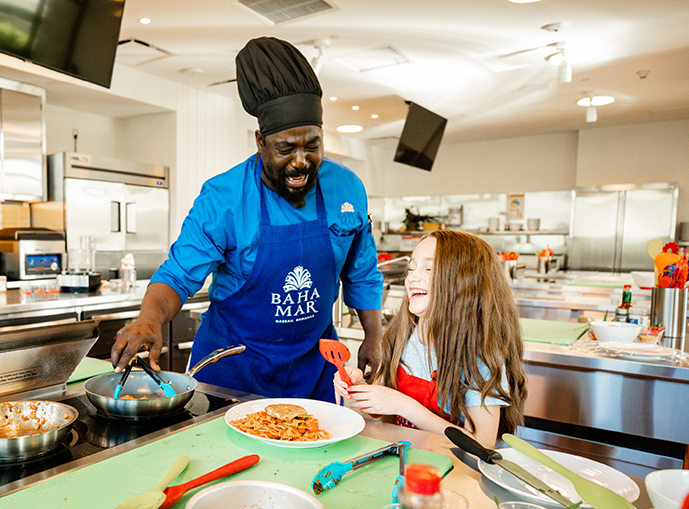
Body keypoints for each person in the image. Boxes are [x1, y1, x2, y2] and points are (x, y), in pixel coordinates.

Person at [111, 36, 384, 402]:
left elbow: (361, 272)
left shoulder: (347, 188)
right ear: (260, 141)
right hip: (232, 368)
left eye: (312, 145)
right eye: (286, 148)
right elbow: (177, 275)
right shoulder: (223, 198)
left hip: (314, 367)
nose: (300, 160)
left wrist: (373, 335)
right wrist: (149, 318)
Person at [334, 230, 527, 447]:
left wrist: (405, 406)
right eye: (411, 268)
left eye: (428, 269)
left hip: (453, 470)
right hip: (402, 461)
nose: (412, 278)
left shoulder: (479, 355)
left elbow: (482, 443)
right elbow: (380, 413)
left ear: (465, 284)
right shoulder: (400, 336)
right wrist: (358, 387)